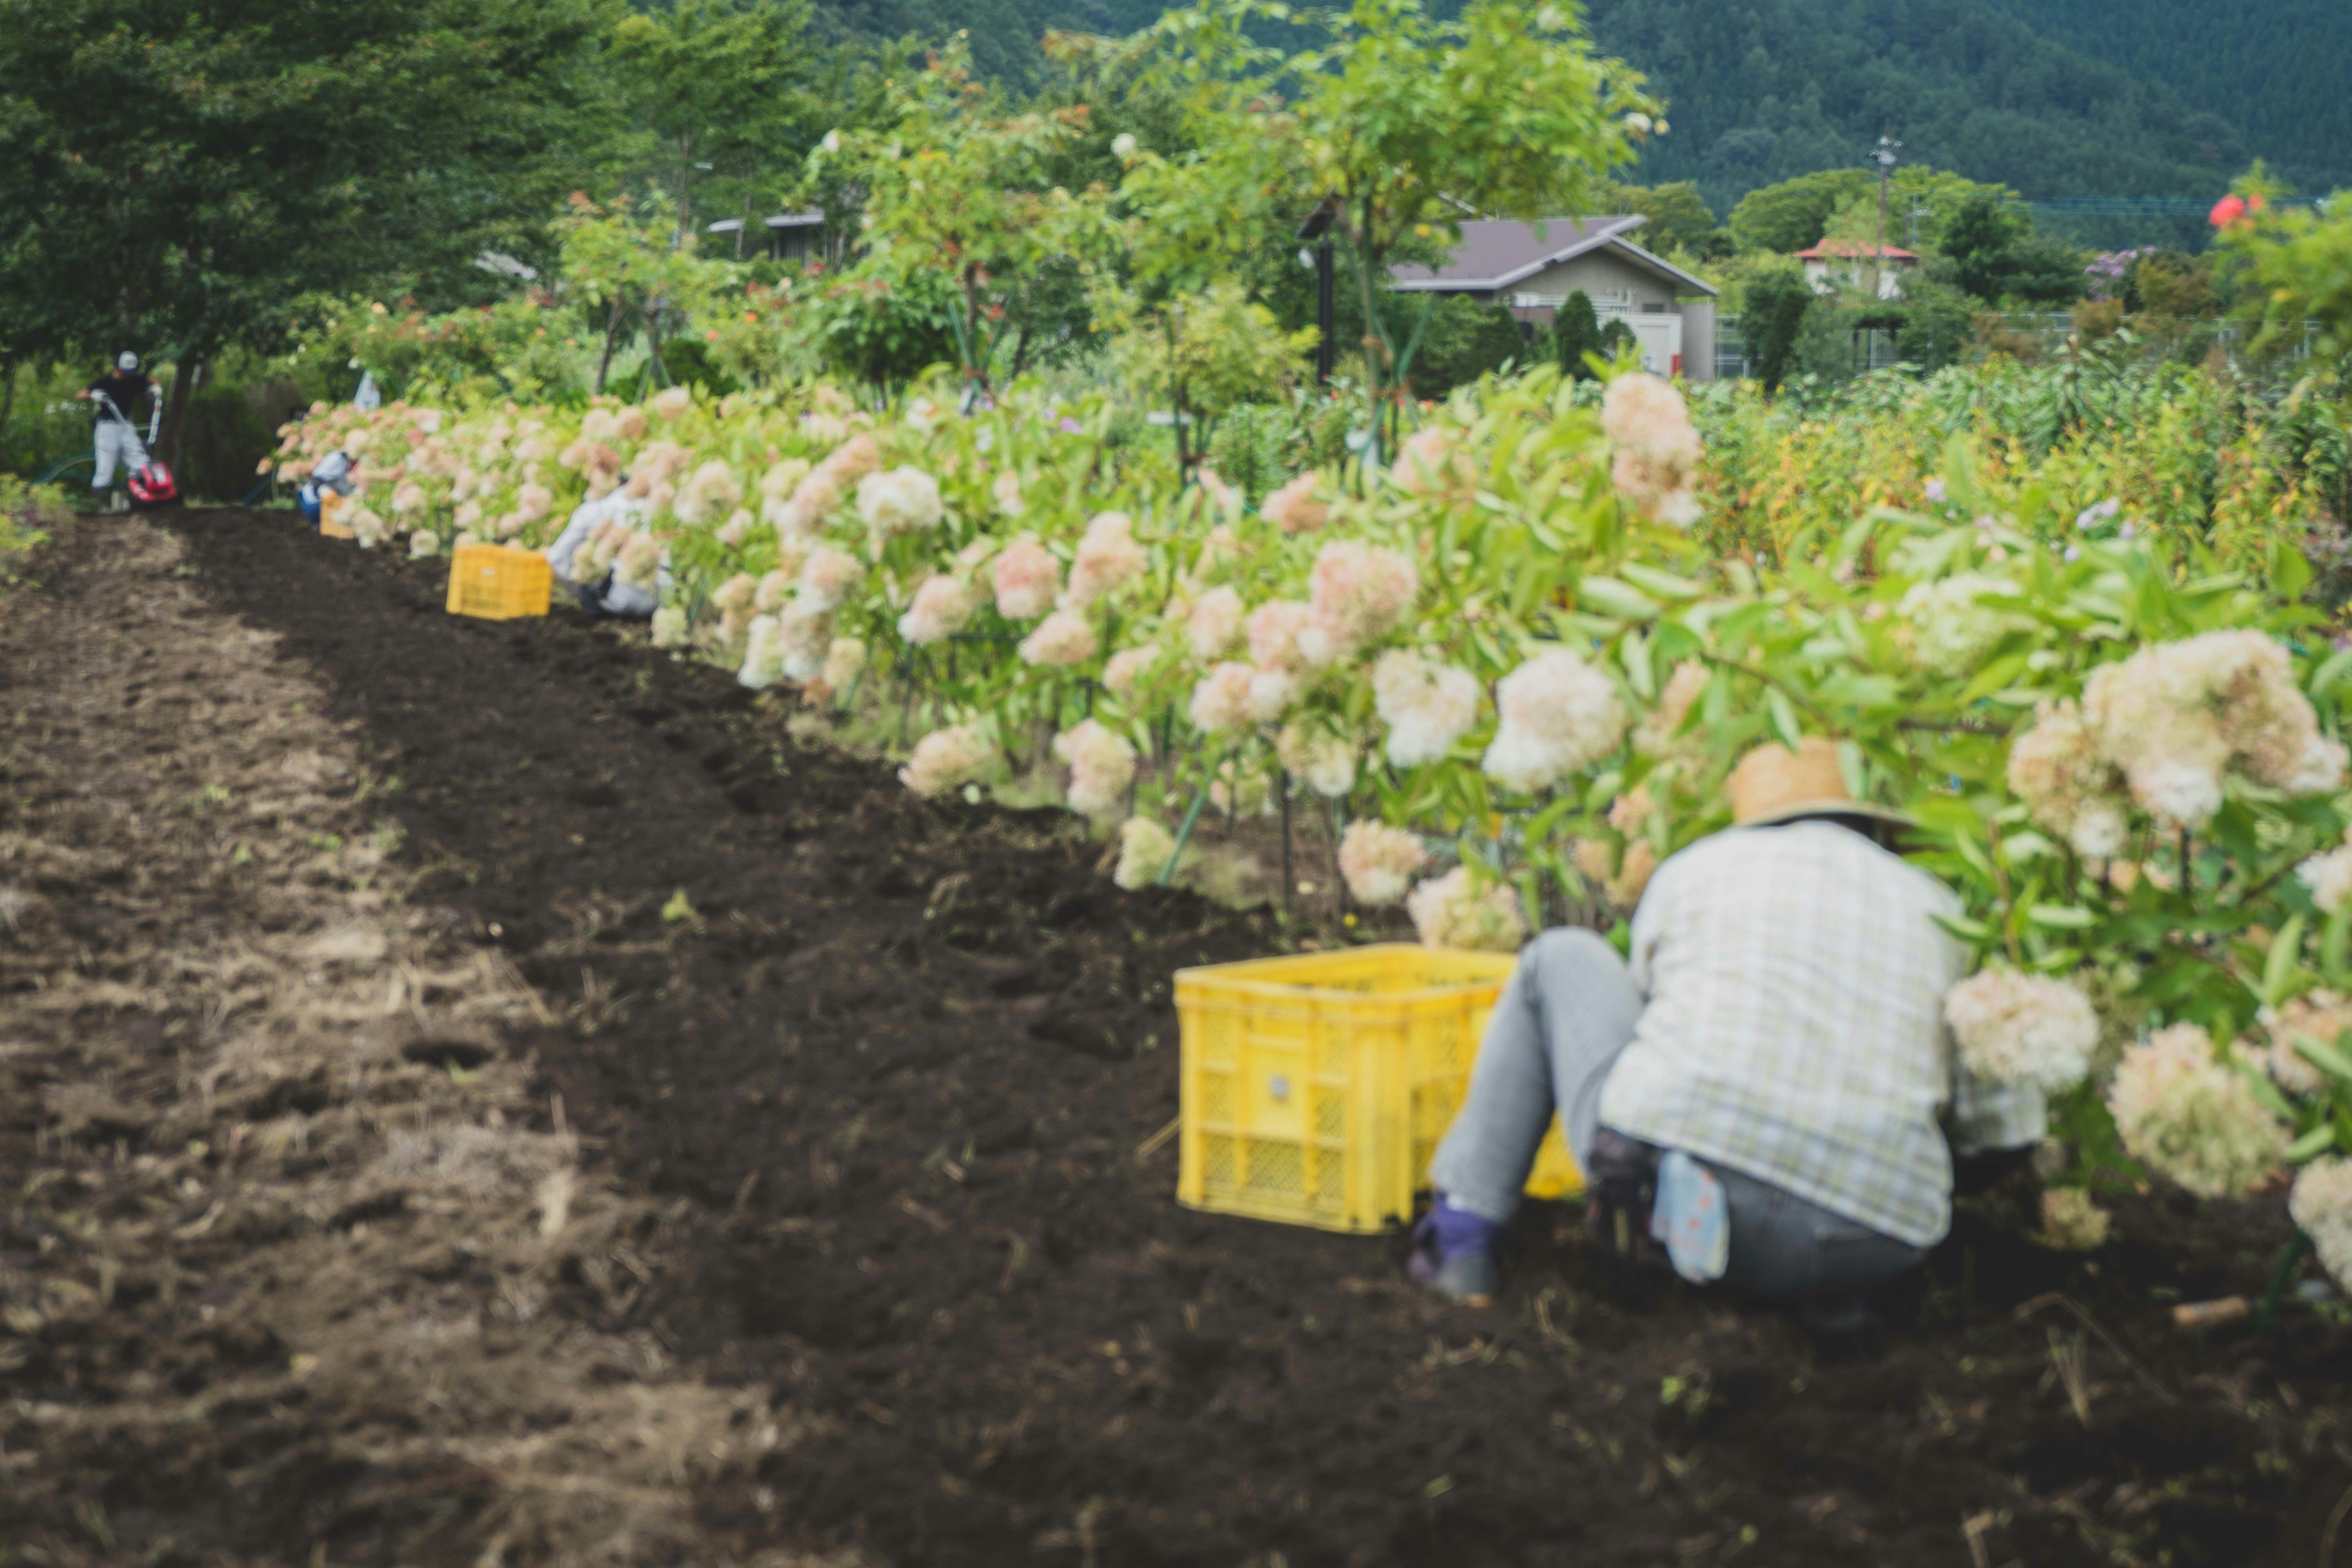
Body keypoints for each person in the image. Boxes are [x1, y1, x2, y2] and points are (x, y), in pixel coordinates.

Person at [1412, 736, 2045, 1322]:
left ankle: (1462, 1243)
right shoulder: (1939, 907)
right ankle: (1820, 1294)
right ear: (1874, 823)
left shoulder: (1698, 867)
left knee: (1560, 957)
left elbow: (1646, 1022)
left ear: (1756, 814)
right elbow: (2002, 1134)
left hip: (1678, 1192)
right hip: (1872, 1244)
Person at [546, 485, 667, 619]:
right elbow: (557, 559)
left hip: (629, 590)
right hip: (620, 589)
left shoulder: (622, 507)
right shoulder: (614, 509)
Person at [77, 352, 156, 508]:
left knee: (141, 462)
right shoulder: (105, 382)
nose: (127, 376)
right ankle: (100, 505)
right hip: (107, 427)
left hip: (126, 425)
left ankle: (141, 501)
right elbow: (81, 395)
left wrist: (156, 388)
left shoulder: (134, 380)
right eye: (124, 372)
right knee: (105, 466)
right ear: (116, 368)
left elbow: (152, 381)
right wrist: (93, 396)